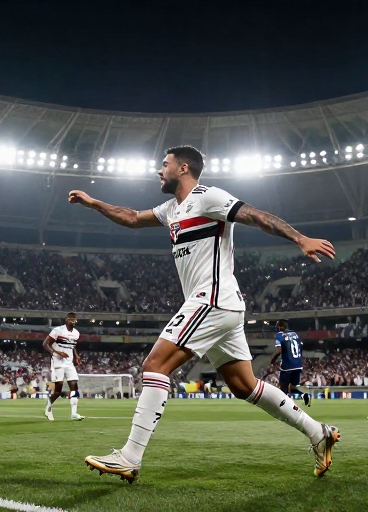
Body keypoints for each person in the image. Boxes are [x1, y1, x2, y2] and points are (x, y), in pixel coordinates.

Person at [69, 145, 340, 483]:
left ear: (183, 168)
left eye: (164, 165)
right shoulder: (171, 208)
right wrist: (93, 203)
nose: (159, 170)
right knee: (244, 385)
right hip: (222, 305)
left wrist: (299, 238)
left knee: (155, 366)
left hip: (212, 298)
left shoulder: (208, 197)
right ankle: (319, 433)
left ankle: (130, 456)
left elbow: (255, 215)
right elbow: (130, 217)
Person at [43, 312, 84, 421]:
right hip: (58, 364)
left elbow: (73, 345)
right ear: (66, 320)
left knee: (74, 386)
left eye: (74, 319)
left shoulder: (76, 333)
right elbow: (45, 344)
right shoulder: (58, 330)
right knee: (57, 392)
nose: (72, 321)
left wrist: (76, 356)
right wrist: (57, 353)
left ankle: (74, 414)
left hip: (69, 363)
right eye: (70, 319)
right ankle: (48, 407)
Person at [270, 320, 311, 407]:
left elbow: (278, 351)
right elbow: (301, 345)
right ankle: (303, 395)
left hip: (287, 365)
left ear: (279, 327)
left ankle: (289, 406)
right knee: (293, 387)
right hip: (298, 364)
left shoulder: (279, 335)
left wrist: (272, 361)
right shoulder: (294, 334)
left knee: (283, 387)